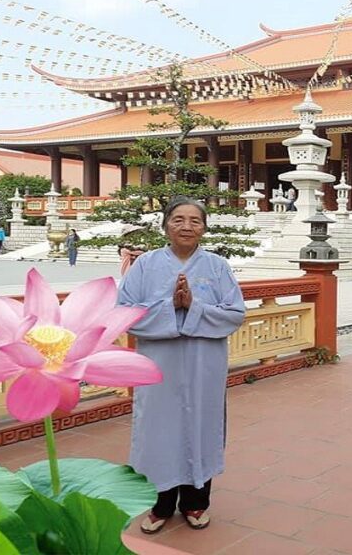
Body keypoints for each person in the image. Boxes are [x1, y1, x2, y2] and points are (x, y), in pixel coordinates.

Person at [119, 197, 245, 534]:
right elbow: (123, 312)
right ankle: (160, 505)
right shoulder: (144, 265)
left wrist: (195, 306)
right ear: (165, 225)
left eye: (194, 220)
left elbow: (235, 313)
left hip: (205, 364)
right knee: (157, 431)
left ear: (204, 227)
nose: (186, 226)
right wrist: (169, 306)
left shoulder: (218, 266)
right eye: (178, 219)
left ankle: (195, 502)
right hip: (159, 365)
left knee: (201, 427)